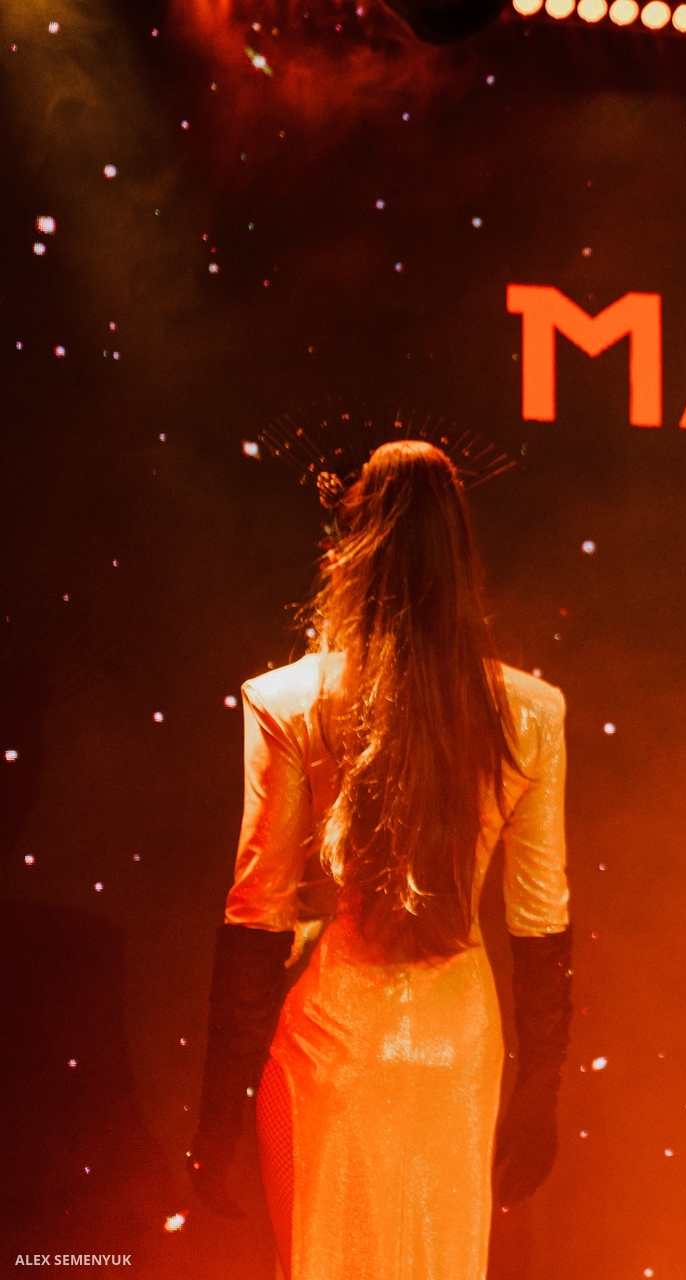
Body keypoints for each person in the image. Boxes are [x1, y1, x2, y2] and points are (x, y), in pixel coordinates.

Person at [185, 440, 574, 1280]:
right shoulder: (532, 713)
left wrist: (217, 1112)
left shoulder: (288, 699)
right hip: (459, 1041)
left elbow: (258, 913)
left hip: (334, 1039)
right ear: (461, 548)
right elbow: (541, 921)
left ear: (352, 549)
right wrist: (539, 1092)